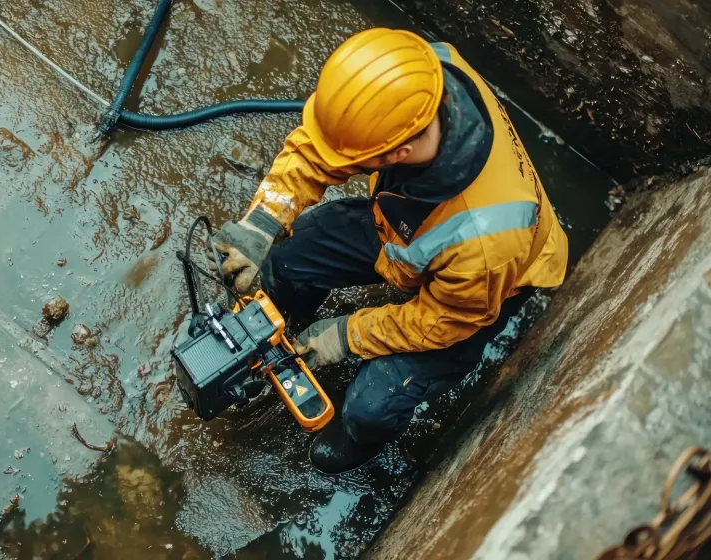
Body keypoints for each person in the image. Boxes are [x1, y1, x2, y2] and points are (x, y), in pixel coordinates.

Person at [212, 28, 568, 474]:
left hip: (484, 290)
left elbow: (443, 322)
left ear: (398, 152)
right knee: (290, 256)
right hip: (405, 227)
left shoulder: (486, 240)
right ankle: (282, 322)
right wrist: (262, 224)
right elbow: (319, 148)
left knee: (373, 402)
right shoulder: (417, 73)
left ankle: (359, 441)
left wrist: (346, 334)